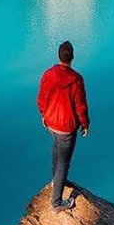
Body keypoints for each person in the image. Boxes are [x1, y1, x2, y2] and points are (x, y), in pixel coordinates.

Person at [37, 40, 89, 210]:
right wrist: (85, 124)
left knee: (56, 149)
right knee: (64, 163)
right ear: (72, 57)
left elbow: (41, 98)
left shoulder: (48, 74)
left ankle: (56, 181)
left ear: (58, 55)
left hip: (51, 123)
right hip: (66, 127)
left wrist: (44, 114)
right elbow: (80, 105)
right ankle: (57, 202)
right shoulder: (76, 80)